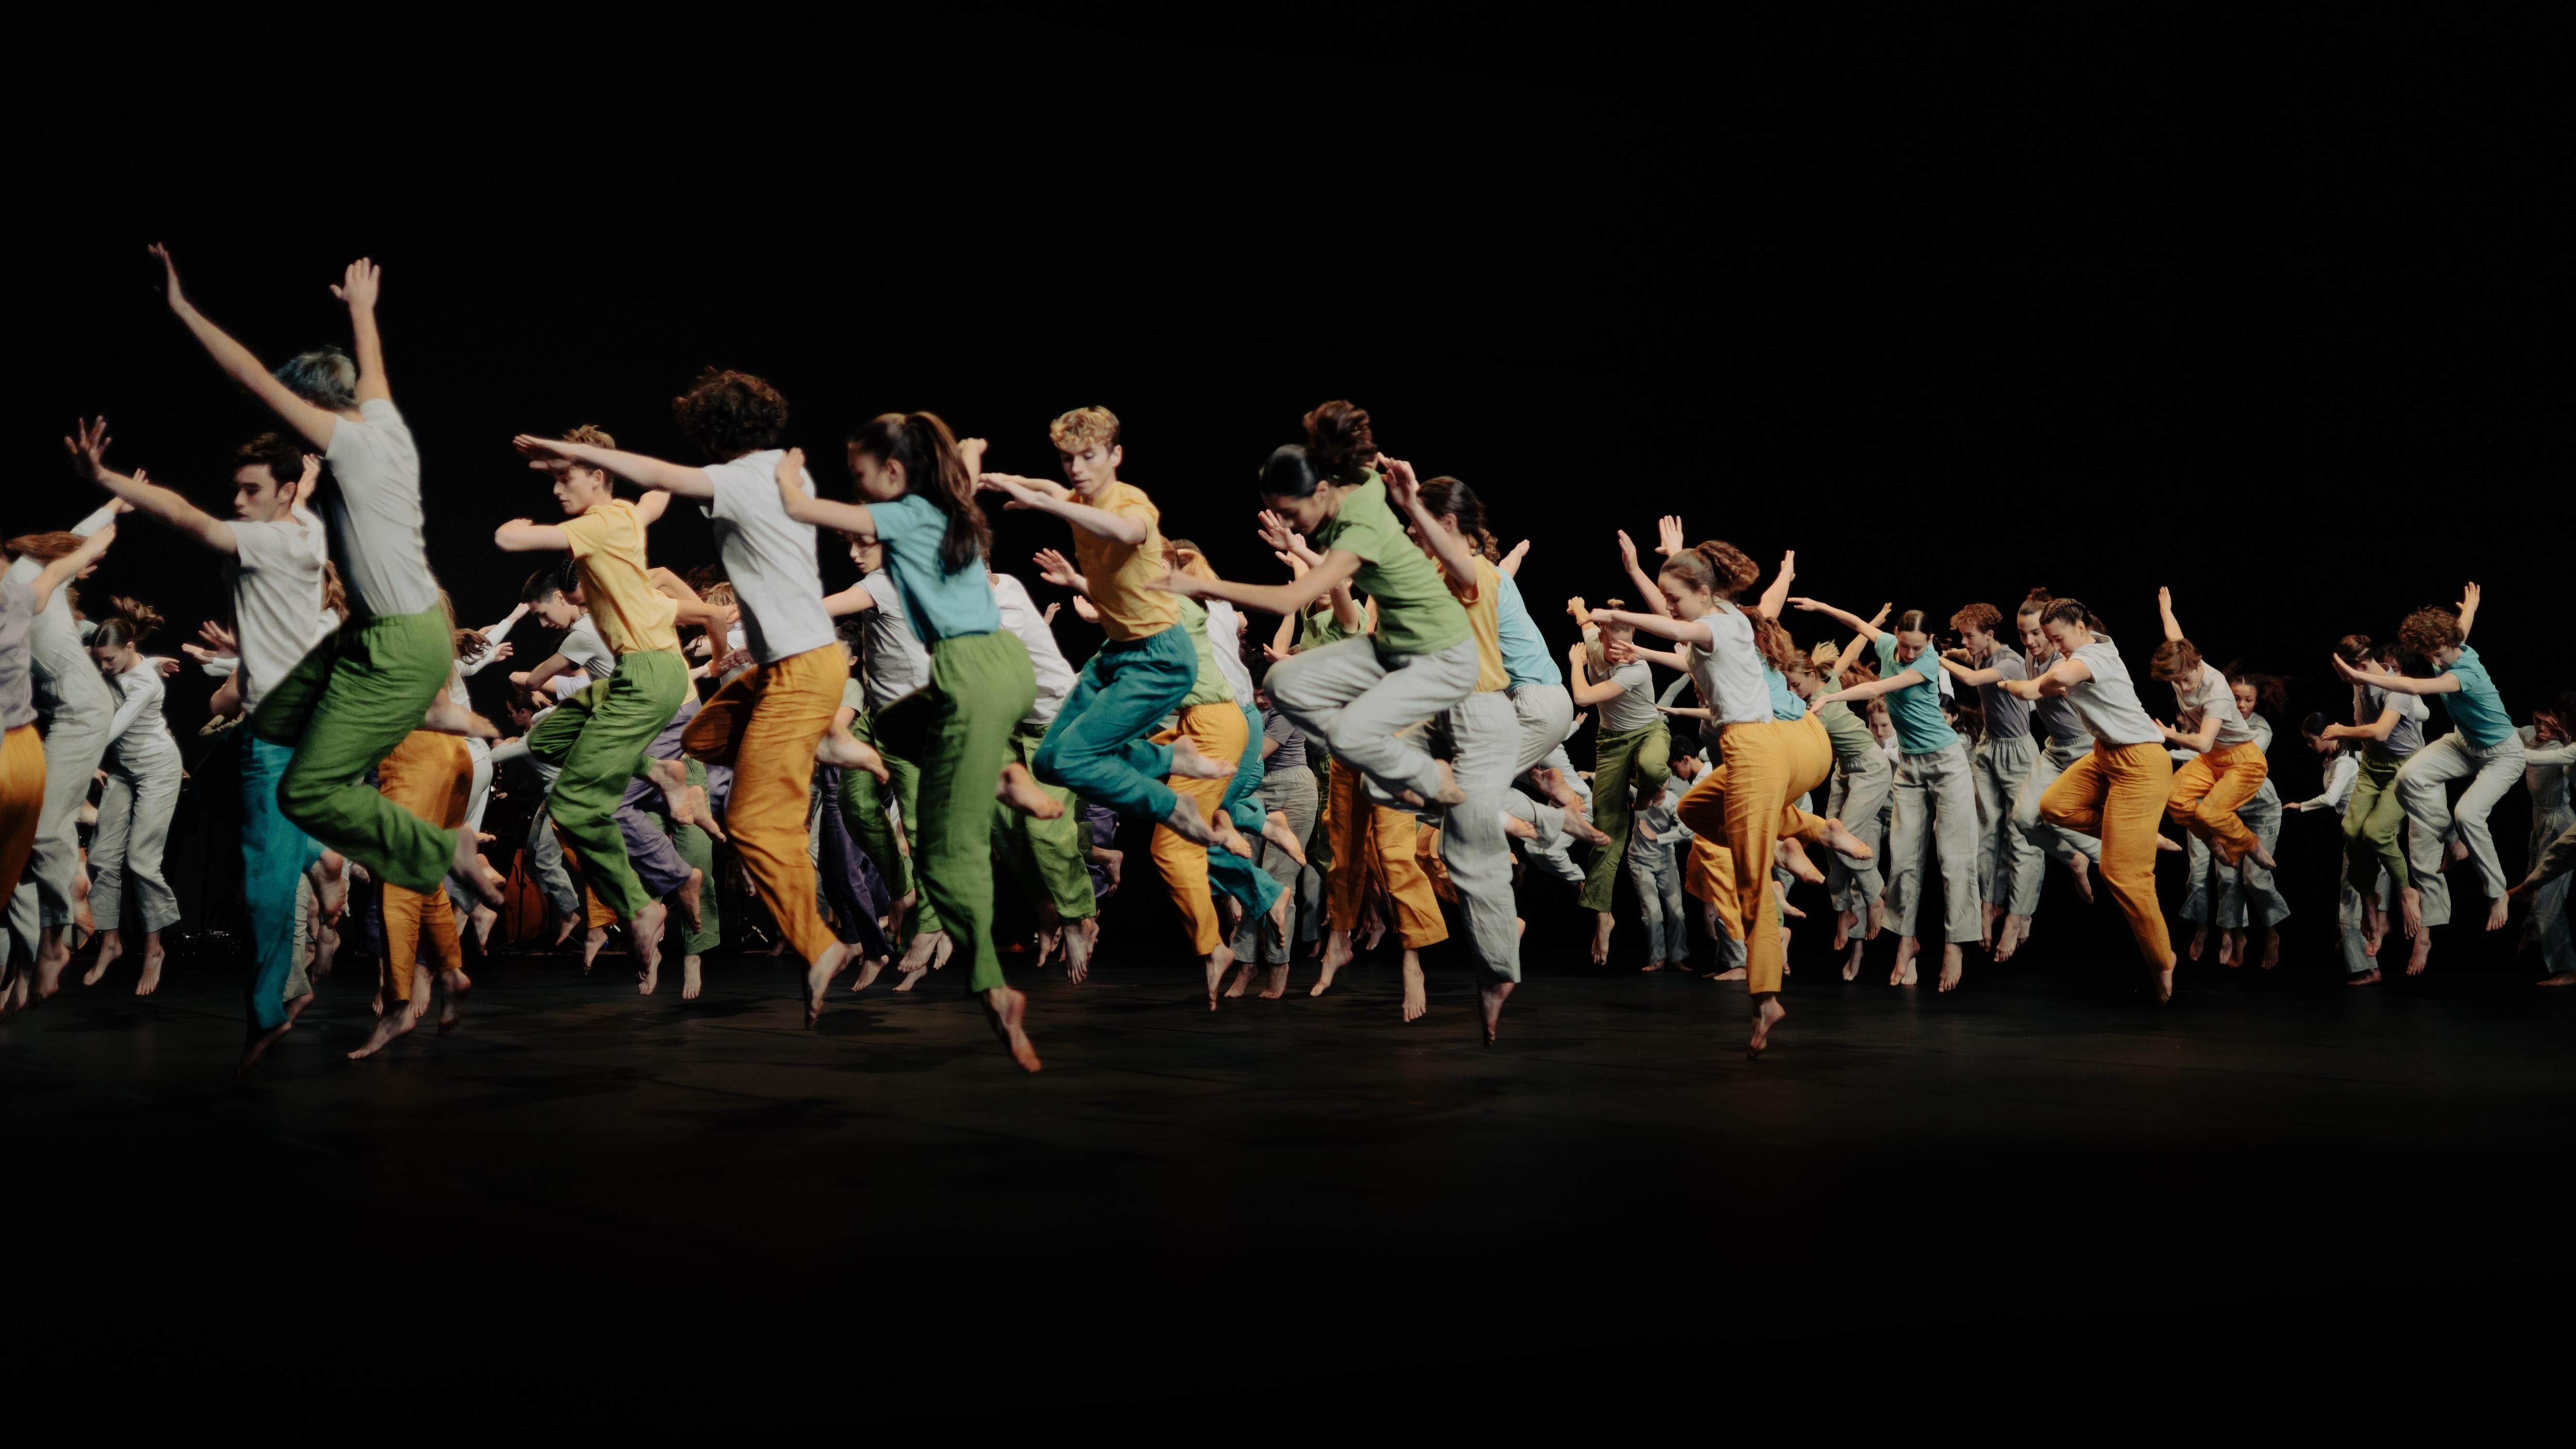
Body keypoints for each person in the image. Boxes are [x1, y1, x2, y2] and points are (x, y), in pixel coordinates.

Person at [150, 246, 506, 934]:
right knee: (276, 720)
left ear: (316, 404)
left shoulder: (351, 440)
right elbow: (372, 367)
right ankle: (432, 725)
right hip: (407, 629)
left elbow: (252, 378)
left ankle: (443, 846)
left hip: (398, 634)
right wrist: (363, 311)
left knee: (305, 789)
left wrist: (183, 309)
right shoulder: (389, 428)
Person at [511, 372, 861, 1026]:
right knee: (698, 742)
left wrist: (577, 457)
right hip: (782, 664)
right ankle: (684, 780)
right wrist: (723, 637)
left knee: (751, 825)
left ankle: (816, 929)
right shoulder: (787, 474)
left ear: (714, 433)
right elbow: (654, 502)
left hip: (797, 668)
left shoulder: (739, 477)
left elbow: (655, 474)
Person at [1147, 402, 1487, 1021]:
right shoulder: (1349, 490)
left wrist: (1203, 585)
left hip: (1428, 667)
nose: (1289, 519)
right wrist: (1316, 531)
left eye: (1292, 509)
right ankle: (1342, 929)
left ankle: (1425, 796)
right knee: (1285, 686)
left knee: (1381, 813)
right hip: (1377, 683)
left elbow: (1304, 592)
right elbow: (1326, 552)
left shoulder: (1355, 533)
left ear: (1324, 491)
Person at [773, 415, 1056, 1071]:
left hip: (970, 676)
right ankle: (1004, 774)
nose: (857, 485)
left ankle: (993, 987)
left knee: (944, 855)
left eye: (860, 473)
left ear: (893, 474)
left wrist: (786, 470)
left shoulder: (903, 514)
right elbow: (962, 463)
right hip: (998, 672)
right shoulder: (945, 502)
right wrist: (972, 452)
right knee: (895, 729)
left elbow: (798, 505)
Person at [1595, 545, 1869, 1054]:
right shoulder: (1720, 619)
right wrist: (1645, 567)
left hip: (1759, 753)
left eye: (1678, 596)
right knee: (1692, 809)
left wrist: (1611, 614)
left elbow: (1677, 628)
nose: (1670, 607)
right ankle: (1811, 829)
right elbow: (1676, 622)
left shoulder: (1719, 625)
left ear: (1703, 593)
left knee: (1750, 879)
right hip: (1779, 746)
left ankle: (1765, 996)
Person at [976, 405, 1236, 853]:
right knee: (1049, 763)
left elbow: (1125, 532)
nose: (1077, 469)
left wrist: (1042, 501)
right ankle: (1172, 756)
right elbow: (1057, 489)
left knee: (1075, 759)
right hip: (1116, 654)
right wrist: (1018, 482)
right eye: (1067, 458)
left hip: (1160, 659)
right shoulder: (1078, 496)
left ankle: (1172, 804)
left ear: (1116, 455)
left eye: (1089, 457)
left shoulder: (1131, 503)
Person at [498, 424, 699, 990]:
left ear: (597, 476)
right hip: (643, 674)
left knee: (574, 802)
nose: (559, 489)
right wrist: (559, 463)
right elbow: (658, 491)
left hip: (647, 674)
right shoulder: (629, 515)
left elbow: (511, 542)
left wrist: (514, 528)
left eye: (568, 479)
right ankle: (657, 769)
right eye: (556, 480)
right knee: (544, 740)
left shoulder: (600, 521)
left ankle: (640, 906)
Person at [1995, 596, 2179, 1001]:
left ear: (2079, 626)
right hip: (2104, 754)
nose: (2055, 646)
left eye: (2058, 638)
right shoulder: (2088, 645)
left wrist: (2013, 685)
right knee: (2053, 807)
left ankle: (2163, 963)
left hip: (2141, 764)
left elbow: (2057, 678)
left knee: (2121, 874)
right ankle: (2141, 836)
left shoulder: (2093, 656)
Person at [1798, 602, 1979, 991]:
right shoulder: (1887, 646)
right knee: (1903, 860)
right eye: (1904, 645)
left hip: (1947, 763)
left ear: (1929, 642)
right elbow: (1859, 623)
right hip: (1911, 766)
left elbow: (1879, 687)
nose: (1909, 652)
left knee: (1954, 854)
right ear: (1897, 636)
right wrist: (1819, 606)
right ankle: (1905, 941)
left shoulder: (1927, 662)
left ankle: (1955, 944)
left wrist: (1832, 697)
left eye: (1917, 646)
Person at [2332, 584, 2524, 947]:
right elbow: (2460, 627)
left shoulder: (2465, 673)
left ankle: (2497, 892)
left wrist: (2363, 677)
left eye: (2437, 654)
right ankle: (2452, 840)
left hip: (2502, 753)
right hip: (2463, 742)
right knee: (2408, 778)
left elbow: (2418, 688)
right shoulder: (2455, 642)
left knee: (2468, 813)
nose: (2435, 661)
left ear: (2450, 645)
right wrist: (2471, 606)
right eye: (2428, 654)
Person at [0, 499, 124, 1010]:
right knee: (27, 842)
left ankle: (57, 940)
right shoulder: (25, 583)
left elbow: (78, 537)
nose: (86, 570)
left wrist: (113, 504)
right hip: (66, 712)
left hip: (81, 709)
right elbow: (77, 540)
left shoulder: (28, 578)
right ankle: (26, 962)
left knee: (47, 832)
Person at [82, 599, 184, 994]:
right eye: (99, 660)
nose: (103, 667)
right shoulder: (120, 654)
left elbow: (112, 727)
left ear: (127, 650)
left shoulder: (145, 683)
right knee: (103, 858)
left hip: (158, 768)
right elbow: (79, 629)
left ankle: (153, 950)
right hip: (125, 772)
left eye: (109, 660)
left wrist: (78, 758)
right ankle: (111, 941)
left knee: (142, 860)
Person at [2149, 589, 2277, 883]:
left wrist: (2168, 734)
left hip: (2243, 760)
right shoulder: (2183, 663)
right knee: (2174, 797)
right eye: (2175, 681)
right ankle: (2212, 841)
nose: (2182, 686)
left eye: (2184, 678)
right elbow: (2175, 638)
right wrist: (2166, 610)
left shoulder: (2216, 690)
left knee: (2211, 811)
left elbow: (2203, 741)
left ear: (2197, 664)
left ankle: (2250, 843)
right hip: (2213, 759)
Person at [1566, 598, 1669, 965]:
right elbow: (1585, 620)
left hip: (1647, 733)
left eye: (1629, 649)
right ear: (1605, 638)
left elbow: (1581, 695)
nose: (1623, 655)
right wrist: (1578, 607)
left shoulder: (1636, 669)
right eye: (1616, 648)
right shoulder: (1596, 640)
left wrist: (1575, 664)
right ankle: (1603, 916)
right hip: (1610, 744)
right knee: (1605, 832)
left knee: (1654, 766)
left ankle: (1649, 792)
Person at [2314, 636, 2426, 968]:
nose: (2346, 680)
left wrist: (2341, 731)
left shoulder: (2398, 687)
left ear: (2362, 666)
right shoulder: (2360, 682)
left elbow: (2379, 731)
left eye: (2347, 673)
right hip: (2372, 768)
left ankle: (2407, 892)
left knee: (2376, 832)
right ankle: (2368, 898)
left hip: (2402, 771)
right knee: (2351, 829)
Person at [1935, 603, 2038, 958]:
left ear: (1990, 635)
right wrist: (1949, 650)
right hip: (1988, 747)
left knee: (2022, 834)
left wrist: (1937, 661)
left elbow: (1973, 680)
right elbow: (1965, 654)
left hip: (2019, 752)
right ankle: (1987, 903)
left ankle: (2018, 913)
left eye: (1971, 636)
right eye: (1964, 636)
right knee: (1985, 829)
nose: (1966, 642)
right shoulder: (1977, 651)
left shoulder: (2009, 661)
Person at [2515, 692, 2575, 984]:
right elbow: (2501, 731)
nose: (2541, 727)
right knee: (2532, 883)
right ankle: (2532, 935)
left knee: (2546, 897)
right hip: (2538, 820)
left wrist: (2563, 735)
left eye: (2547, 722)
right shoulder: (2528, 734)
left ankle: (2567, 968)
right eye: (2537, 720)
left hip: (2560, 820)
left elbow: (2539, 759)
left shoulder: (2566, 746)